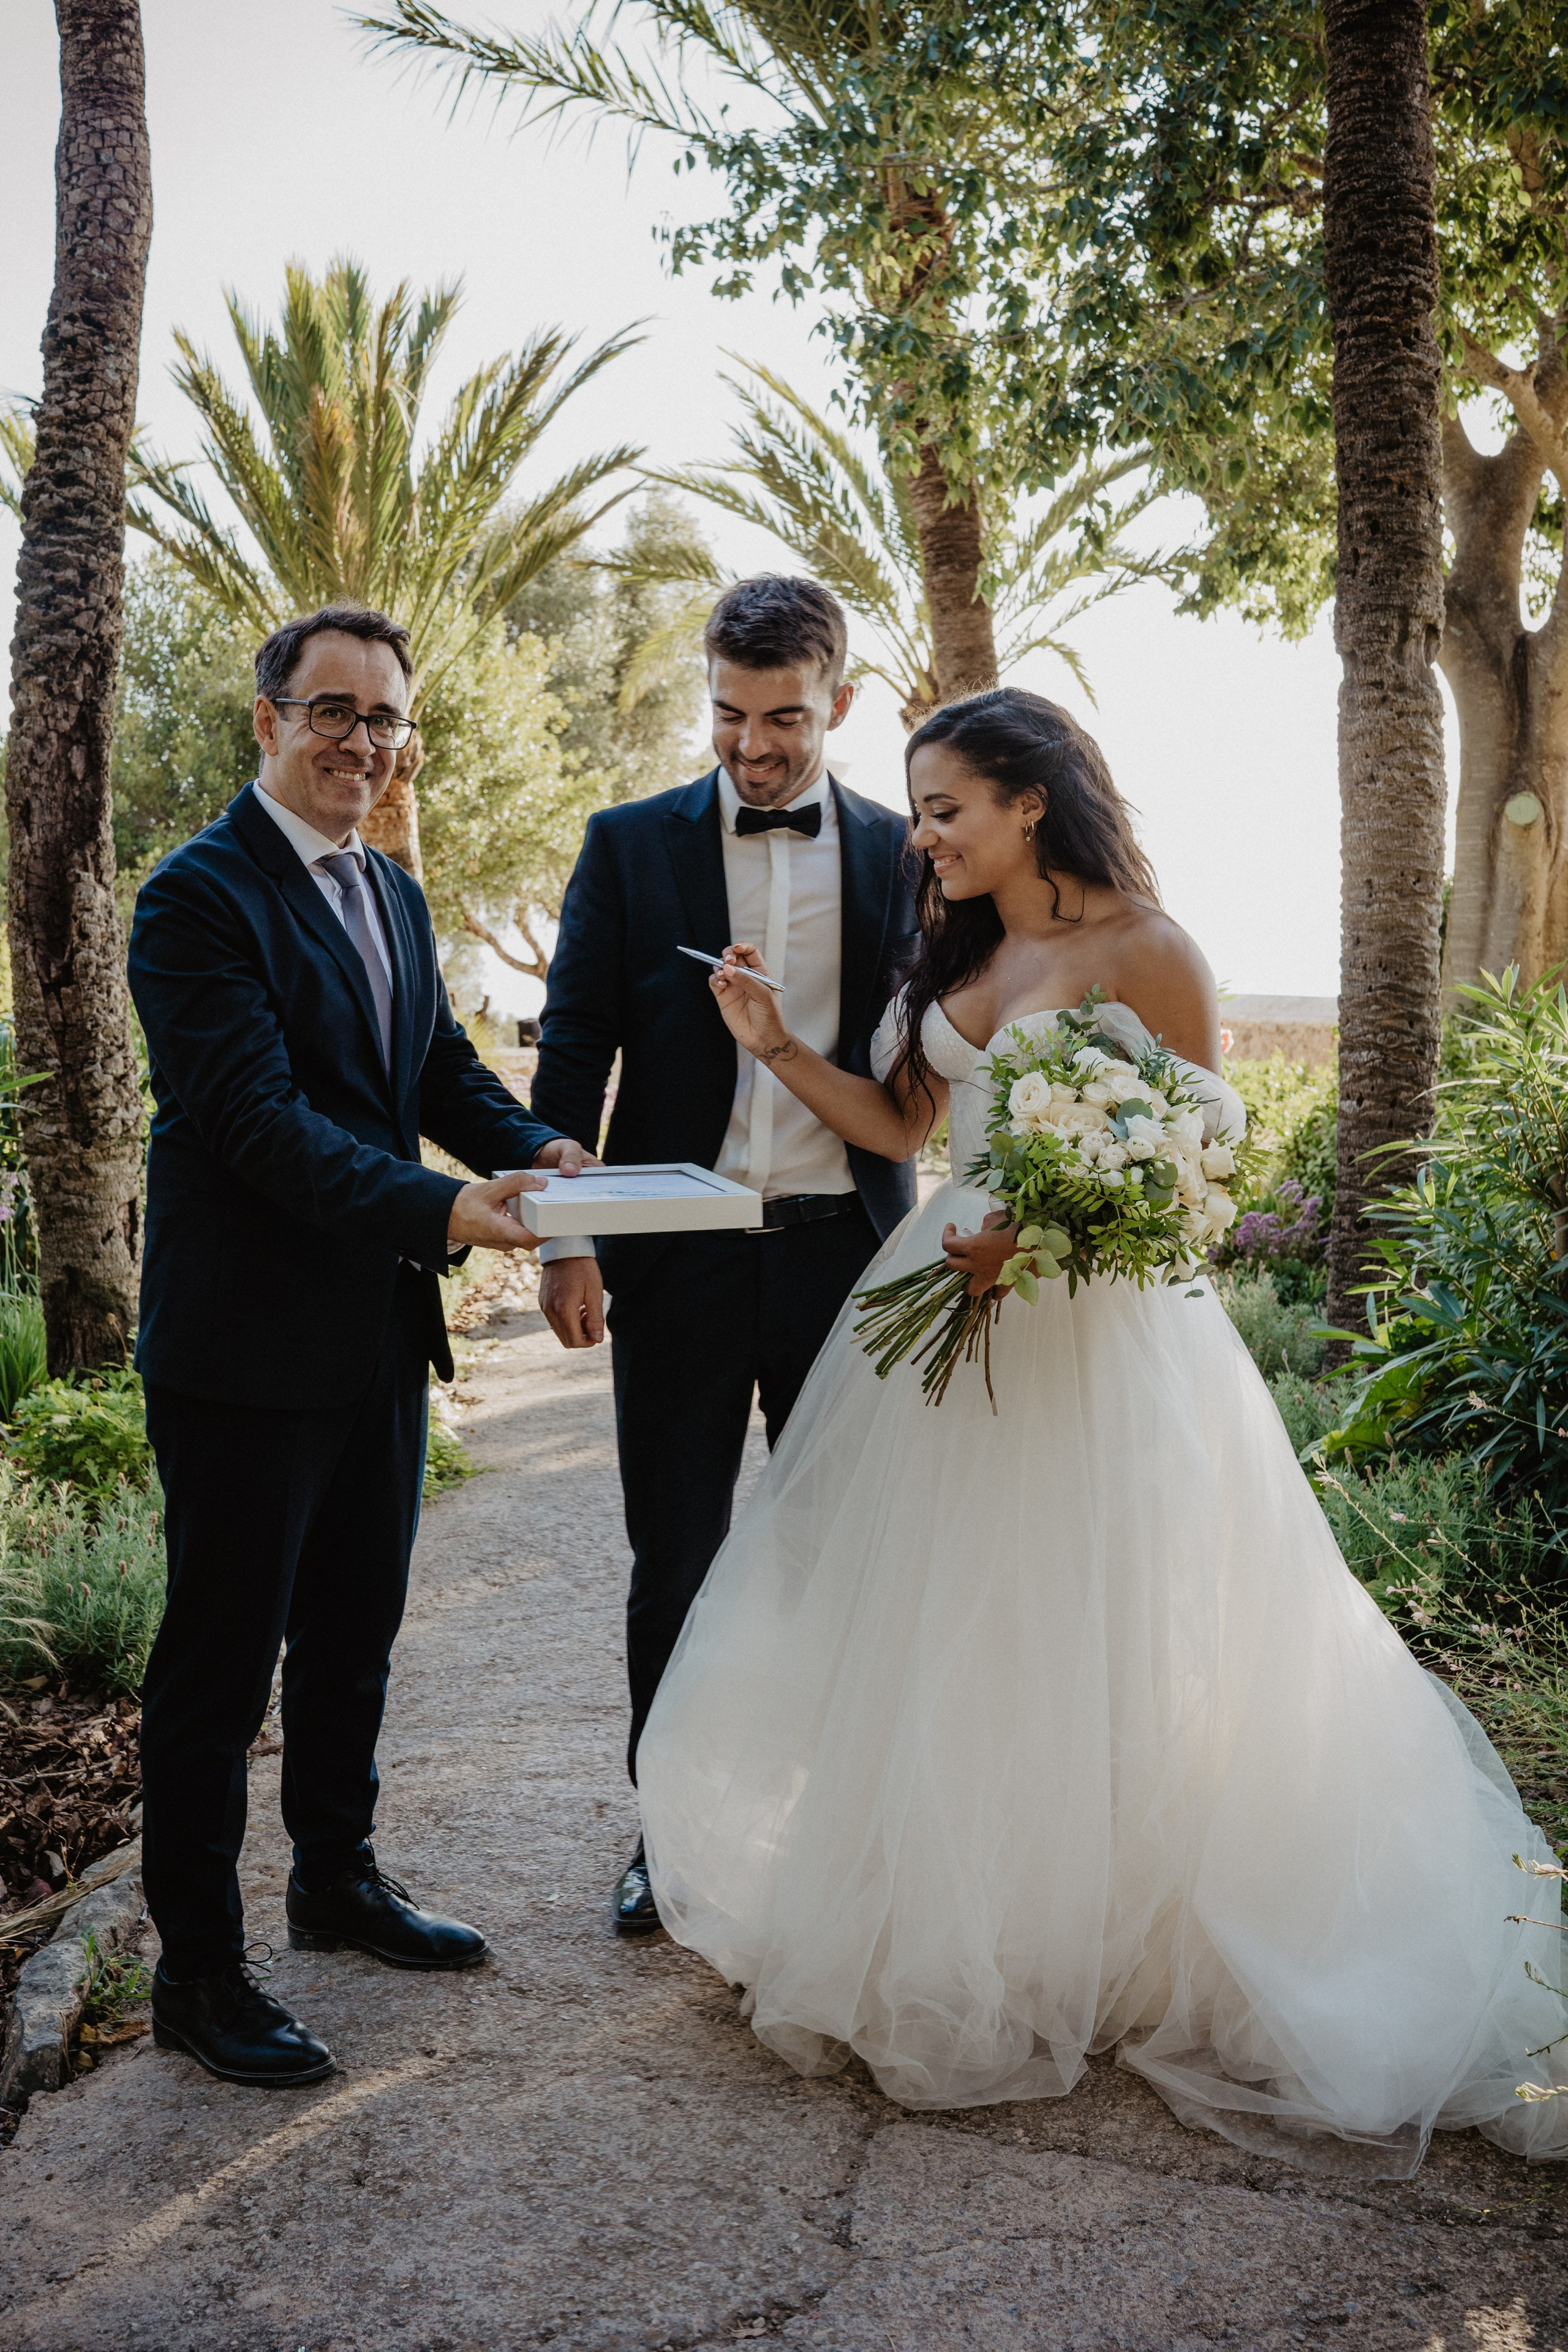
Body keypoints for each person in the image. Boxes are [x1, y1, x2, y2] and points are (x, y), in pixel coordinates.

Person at [636, 687, 1568, 2177]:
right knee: (953, 1621)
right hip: (939, 1320)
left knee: (1108, 1621)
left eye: (944, 807)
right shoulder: (962, 947)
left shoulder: (1150, 950)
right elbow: (897, 1131)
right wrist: (764, 1043)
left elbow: (1199, 1173)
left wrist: (1047, 1237)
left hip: (1096, 1340)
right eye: (919, 809)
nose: (922, 836)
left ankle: (1126, 1930)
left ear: (1029, 800)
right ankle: (977, 1922)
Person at [129, 605, 590, 2089]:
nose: (363, 742)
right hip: (243, 1346)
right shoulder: (193, 899)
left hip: (375, 1334)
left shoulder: (389, 893)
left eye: (385, 718)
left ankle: (334, 1881)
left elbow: (435, 1068)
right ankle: (198, 1976)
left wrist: (535, 1147)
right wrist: (457, 1209)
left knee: (353, 1635)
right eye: (333, 711)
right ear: (266, 719)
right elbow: (259, 1128)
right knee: (218, 1667)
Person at [530, 576, 918, 1928]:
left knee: (836, 1559)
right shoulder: (627, 845)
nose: (751, 747)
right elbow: (573, 1047)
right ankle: (667, 1837)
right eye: (728, 715)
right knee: (675, 1556)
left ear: (841, 706)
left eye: (782, 722)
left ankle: (828, 1835)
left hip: (846, 1260)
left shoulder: (899, 853)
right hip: (676, 1256)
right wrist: (561, 1241)